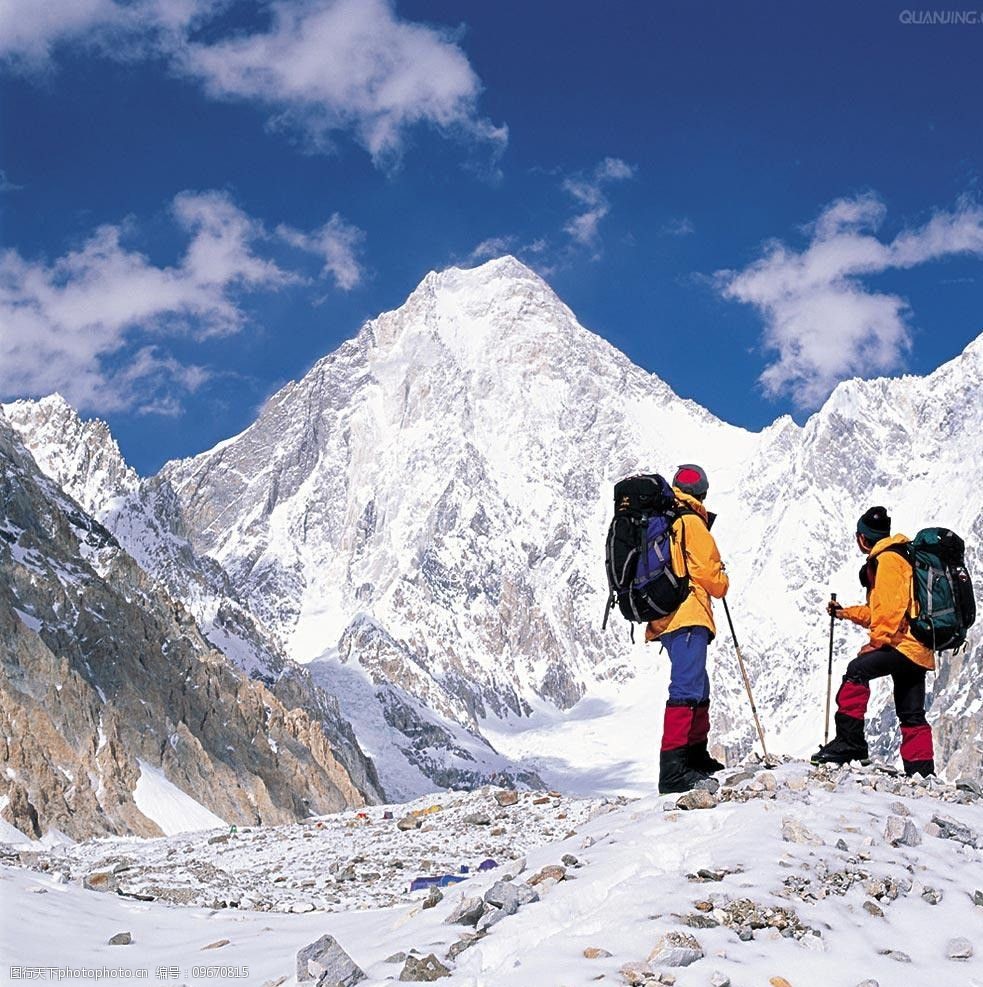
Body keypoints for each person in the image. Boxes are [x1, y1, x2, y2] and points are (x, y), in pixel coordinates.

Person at [812, 506, 935, 776]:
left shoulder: (888, 560)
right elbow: (879, 612)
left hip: (903, 644)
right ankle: (922, 772)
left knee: (857, 671)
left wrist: (877, 642)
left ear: (862, 538)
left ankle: (850, 743)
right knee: (911, 712)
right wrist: (845, 613)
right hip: (919, 649)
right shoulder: (900, 556)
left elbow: (891, 608)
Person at [645, 464, 730, 793]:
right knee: (686, 688)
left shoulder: (666, 519)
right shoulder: (692, 522)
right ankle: (674, 768)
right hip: (688, 614)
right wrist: (723, 576)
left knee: (698, 684)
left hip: (668, 617)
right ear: (703, 494)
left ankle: (695, 755)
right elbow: (713, 581)